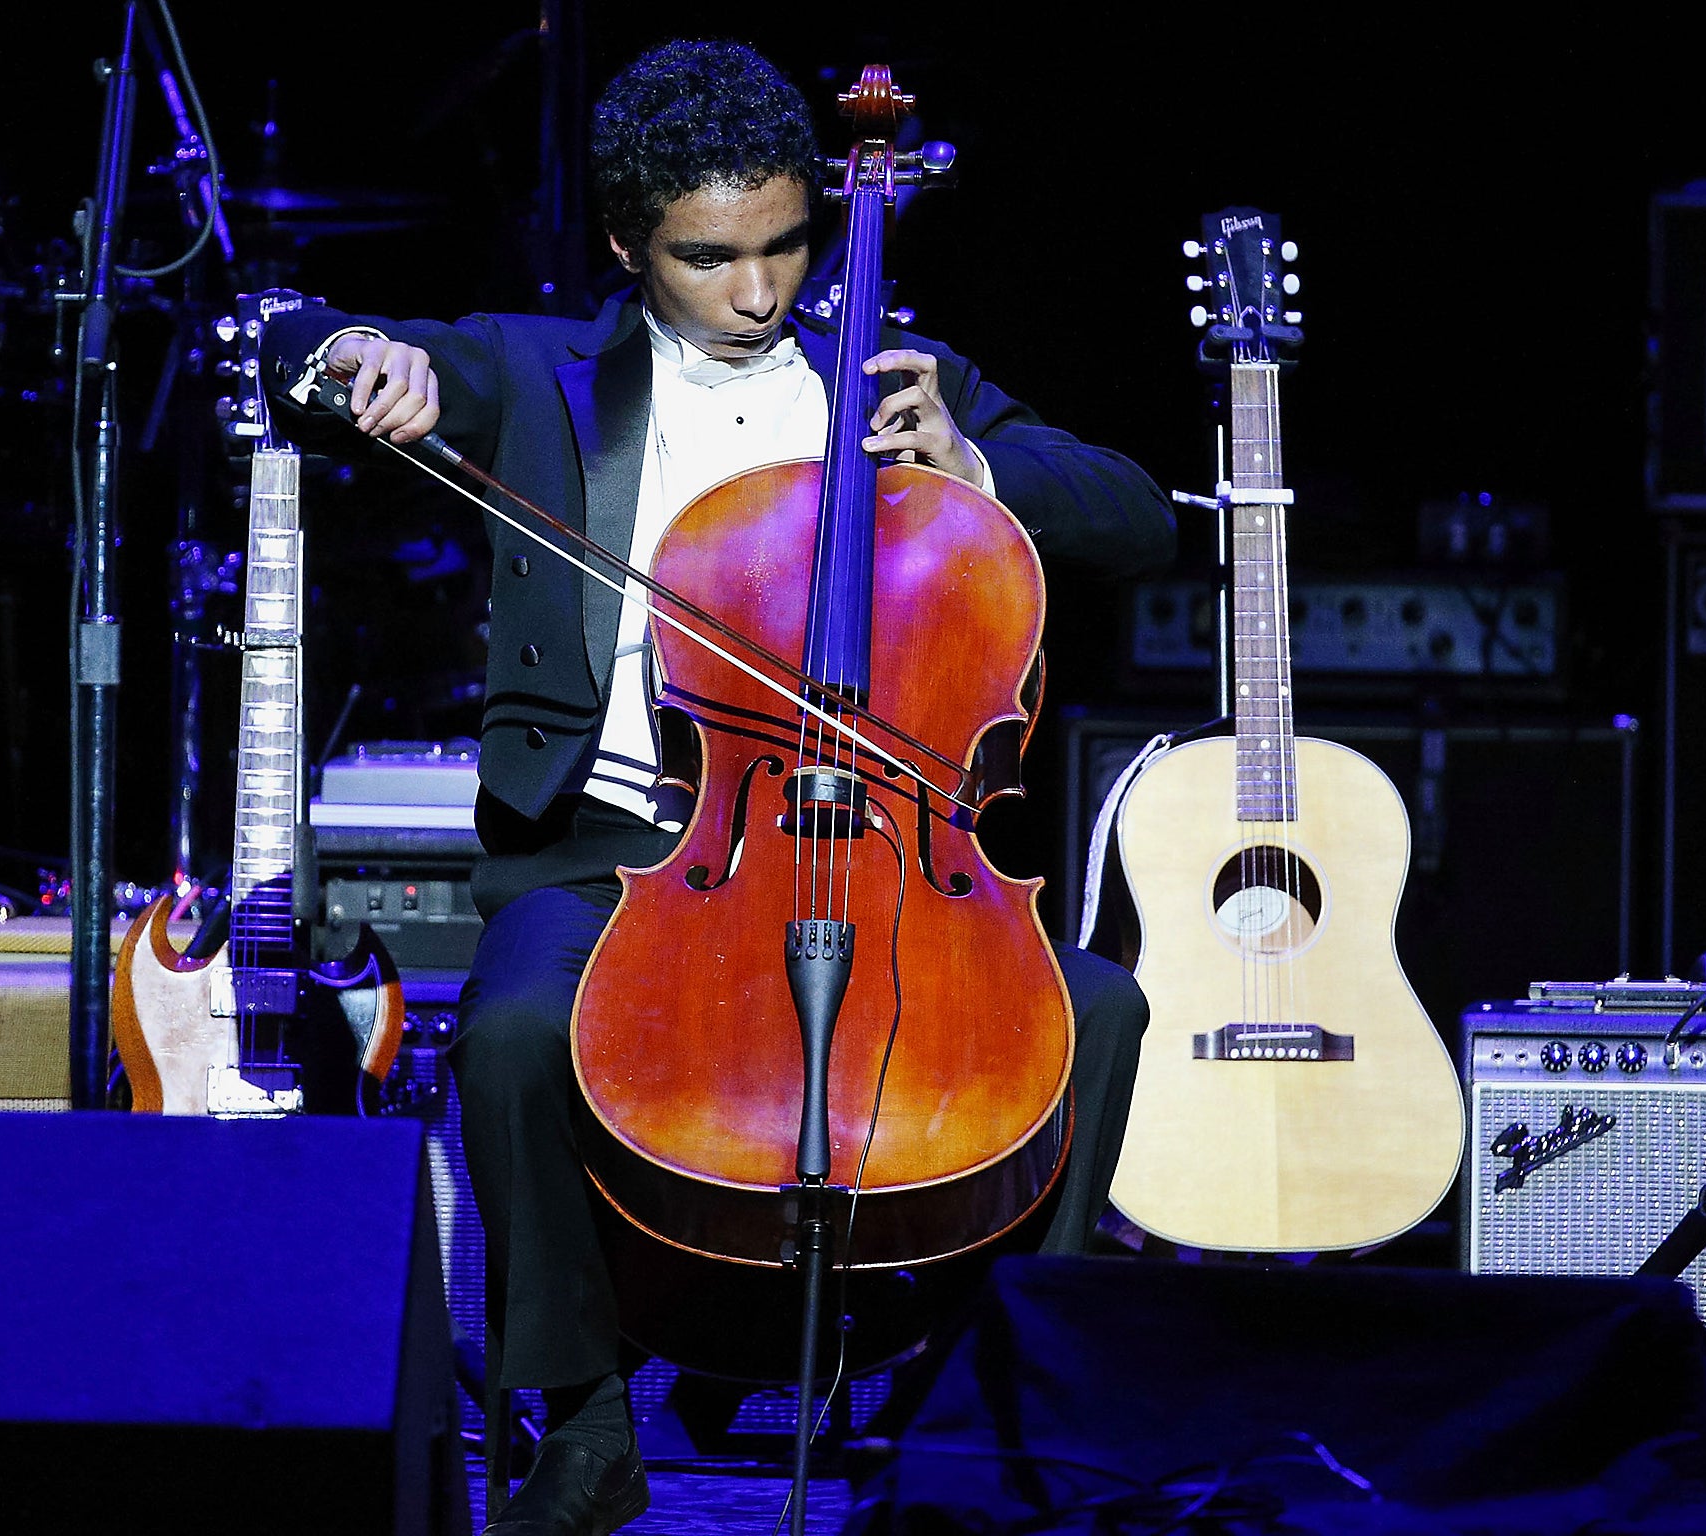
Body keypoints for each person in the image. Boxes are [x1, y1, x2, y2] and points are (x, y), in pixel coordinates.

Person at [265, 38, 1175, 1536]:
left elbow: (1137, 518)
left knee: (1100, 1014)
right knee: (506, 1032)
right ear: (630, 245)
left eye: (784, 246)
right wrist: (357, 359)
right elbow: (293, 338)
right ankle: (583, 1417)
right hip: (614, 851)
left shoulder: (891, 377)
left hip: (881, 854)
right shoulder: (538, 378)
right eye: (708, 258)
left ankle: (991, 1406)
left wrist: (973, 466)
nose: (757, 293)